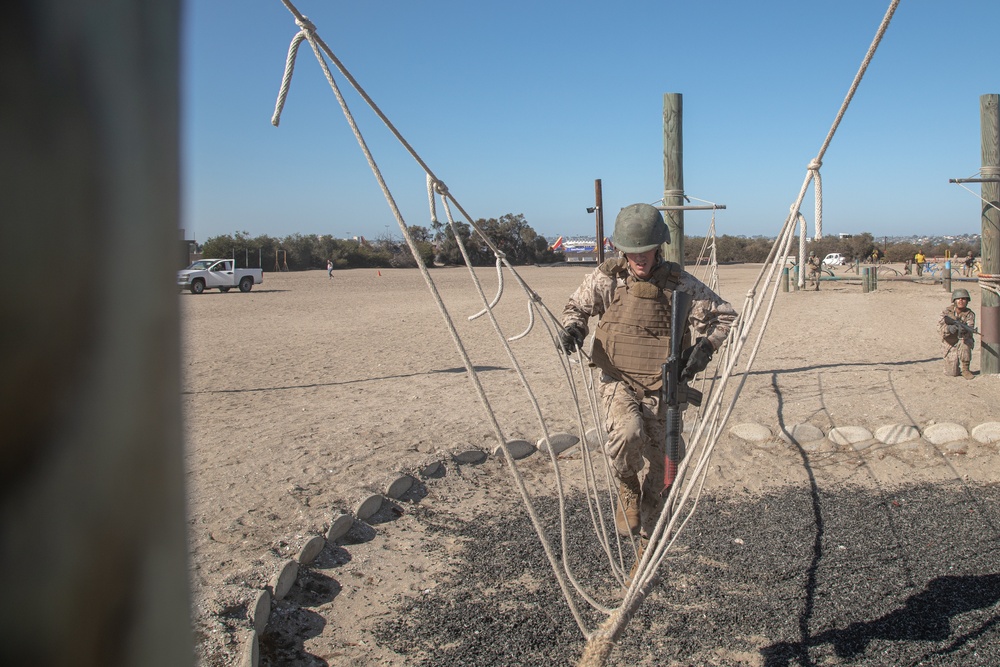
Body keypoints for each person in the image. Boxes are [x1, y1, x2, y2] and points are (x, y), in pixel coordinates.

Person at [558, 203, 736, 550]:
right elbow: (575, 308)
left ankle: (647, 534)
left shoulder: (679, 283)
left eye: (647, 250)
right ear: (622, 250)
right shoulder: (608, 278)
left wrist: (704, 350)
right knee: (628, 433)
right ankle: (627, 486)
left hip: (663, 386)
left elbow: (725, 317)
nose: (640, 258)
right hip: (618, 379)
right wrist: (573, 330)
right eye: (633, 251)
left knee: (667, 462)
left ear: (659, 247)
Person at [938, 288, 976, 380]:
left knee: (965, 342)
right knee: (951, 373)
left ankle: (965, 369)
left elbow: (970, 328)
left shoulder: (969, 314)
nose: (961, 301)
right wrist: (950, 329)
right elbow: (940, 329)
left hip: (962, 340)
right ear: (954, 300)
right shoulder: (946, 312)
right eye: (958, 299)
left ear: (967, 301)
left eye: (963, 299)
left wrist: (964, 330)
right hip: (949, 343)